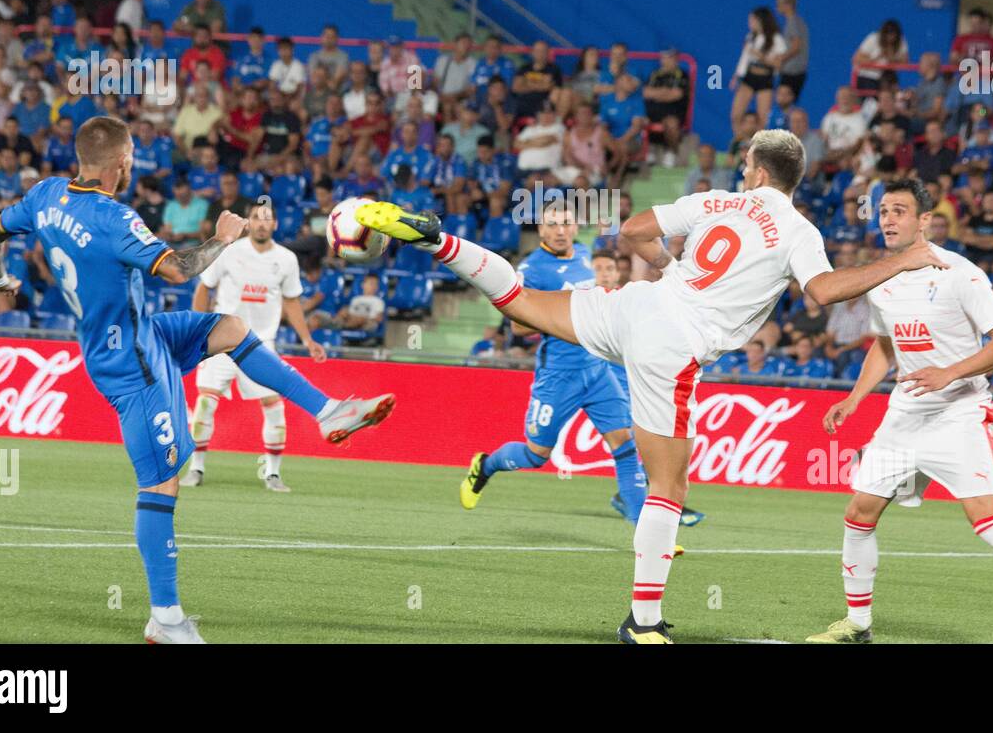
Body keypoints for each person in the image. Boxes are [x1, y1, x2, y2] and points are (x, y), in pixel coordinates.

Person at [356, 129, 947, 643]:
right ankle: (642, 621)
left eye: (746, 164)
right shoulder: (798, 230)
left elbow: (633, 231)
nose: (742, 172)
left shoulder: (716, 201)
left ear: (758, 171)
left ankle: (435, 240)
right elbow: (821, 293)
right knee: (668, 485)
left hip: (639, 306)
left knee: (521, 302)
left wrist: (671, 268)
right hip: (674, 345)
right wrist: (898, 261)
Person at [0, 116, 395, 644]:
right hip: (133, 362)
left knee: (232, 327)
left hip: (136, 335)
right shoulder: (113, 216)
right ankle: (165, 619)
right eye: (131, 155)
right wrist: (221, 239)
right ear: (120, 161)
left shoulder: (44, 195)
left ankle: (328, 410)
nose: (132, 163)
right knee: (159, 484)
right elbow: (177, 269)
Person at [807, 178, 993, 644]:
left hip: (958, 412)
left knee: (987, 520)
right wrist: (855, 397)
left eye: (899, 211)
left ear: (925, 220)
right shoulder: (881, 279)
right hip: (904, 415)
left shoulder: (960, 273)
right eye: (883, 211)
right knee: (859, 513)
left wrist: (950, 372)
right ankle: (858, 626)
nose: (888, 219)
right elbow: (885, 347)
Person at [455, 208, 658, 529]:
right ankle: (486, 466)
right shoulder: (531, 270)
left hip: (596, 368)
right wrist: (563, 308)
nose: (561, 230)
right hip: (559, 375)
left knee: (624, 442)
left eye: (566, 223)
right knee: (537, 455)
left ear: (576, 227)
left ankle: (646, 533)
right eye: (553, 225)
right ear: (541, 230)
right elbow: (519, 328)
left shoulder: (582, 253)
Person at [183, 204, 327, 493]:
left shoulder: (286, 259)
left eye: (267, 219)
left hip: (262, 343)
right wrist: (198, 329)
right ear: (248, 223)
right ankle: (195, 467)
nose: (262, 223)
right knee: (206, 403)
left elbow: (292, 302)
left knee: (274, 407)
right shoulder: (229, 250)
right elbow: (204, 288)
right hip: (221, 339)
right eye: (256, 218)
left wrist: (307, 339)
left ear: (274, 224)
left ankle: (272, 474)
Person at [731, 6, 787, 127]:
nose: (749, 23)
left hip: (765, 79)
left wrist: (761, 56)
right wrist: (736, 76)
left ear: (761, 21)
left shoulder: (777, 39)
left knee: (762, 119)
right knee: (736, 115)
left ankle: (758, 144)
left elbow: (778, 64)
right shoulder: (751, 37)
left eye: (752, 20)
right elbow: (744, 58)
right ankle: (739, 142)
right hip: (749, 77)